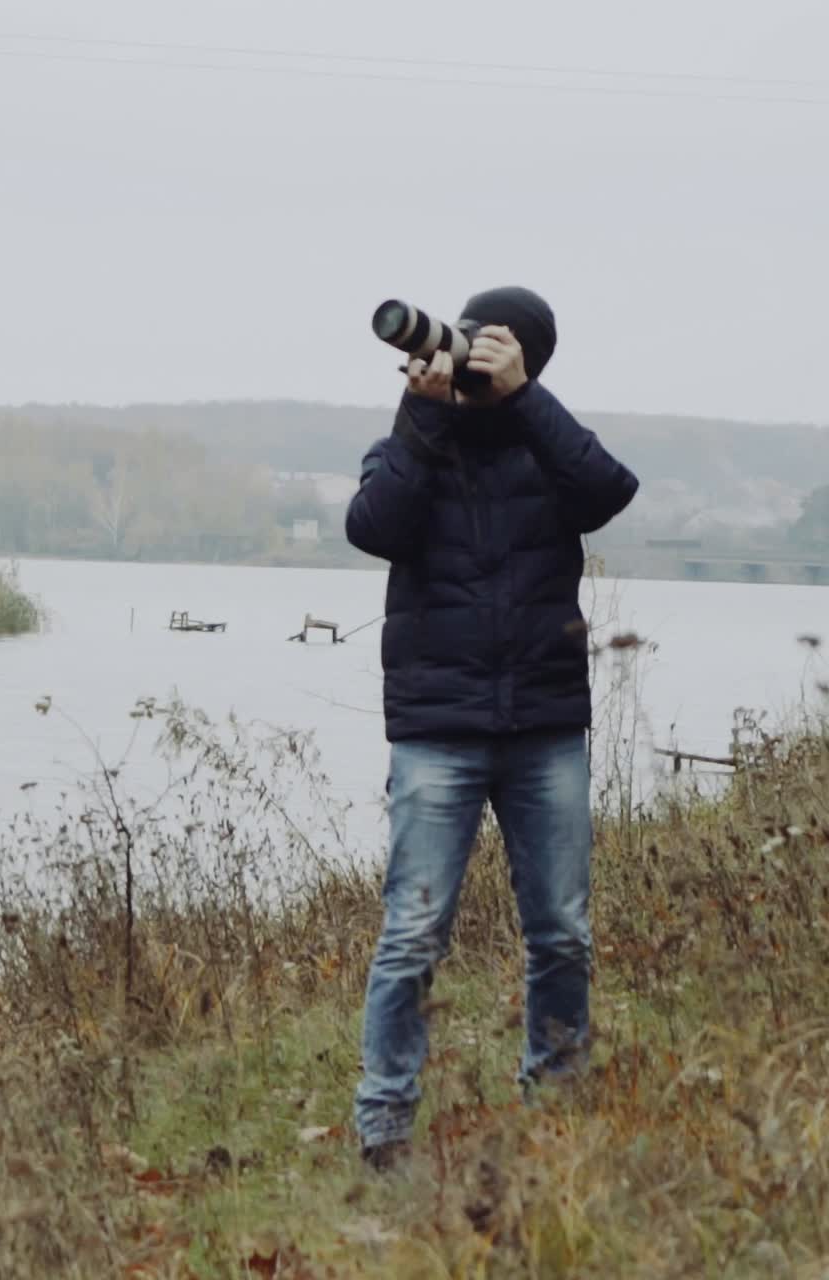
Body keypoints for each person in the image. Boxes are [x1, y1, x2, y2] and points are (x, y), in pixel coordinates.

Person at [344, 286, 639, 1170]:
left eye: (497, 350)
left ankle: (554, 1100)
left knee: (561, 930)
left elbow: (608, 489)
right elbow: (373, 527)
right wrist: (419, 416)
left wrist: (523, 400)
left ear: (526, 363)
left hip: (544, 724)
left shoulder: (549, 451)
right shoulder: (412, 442)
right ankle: (385, 1126)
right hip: (438, 729)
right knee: (412, 933)